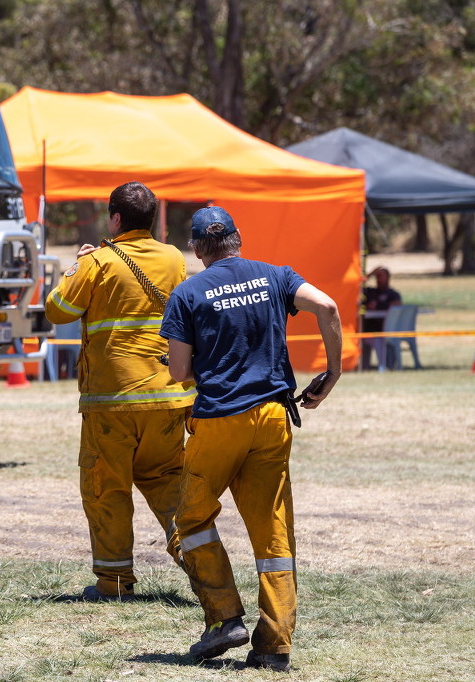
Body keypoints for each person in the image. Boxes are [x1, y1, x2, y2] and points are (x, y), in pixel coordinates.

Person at [160, 206, 342, 671]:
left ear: (198, 248)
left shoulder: (187, 293)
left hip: (221, 420)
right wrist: (333, 372)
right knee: (272, 531)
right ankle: (274, 645)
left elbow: (180, 372)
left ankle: (224, 619)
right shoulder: (274, 276)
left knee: (190, 520)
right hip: (274, 417)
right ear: (238, 239)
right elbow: (328, 306)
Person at [44, 181, 196, 600]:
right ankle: (203, 567)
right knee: (170, 485)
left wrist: (75, 266)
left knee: (106, 487)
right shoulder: (174, 259)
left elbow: (57, 310)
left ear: (115, 219)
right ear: (152, 219)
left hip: (111, 403)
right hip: (168, 397)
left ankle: (114, 583)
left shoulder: (98, 261)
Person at [361, 266, 403, 369]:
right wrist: (370, 274)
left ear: (388, 278)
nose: (378, 279)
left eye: (381, 276)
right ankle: (366, 365)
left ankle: (388, 363)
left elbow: (396, 305)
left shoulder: (393, 294)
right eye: (377, 276)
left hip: (387, 329)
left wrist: (377, 306)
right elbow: (356, 286)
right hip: (369, 329)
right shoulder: (370, 292)